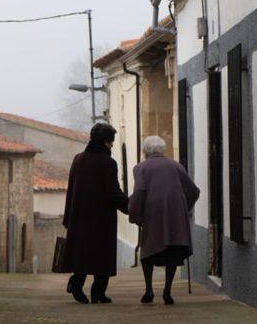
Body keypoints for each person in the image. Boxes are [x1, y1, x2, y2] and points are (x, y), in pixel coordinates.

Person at [128, 135, 200, 305]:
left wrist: (135, 214)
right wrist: (185, 208)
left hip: (152, 213)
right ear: (163, 150)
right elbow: (193, 191)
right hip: (176, 213)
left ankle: (149, 290)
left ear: (145, 151)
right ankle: (167, 291)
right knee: (173, 251)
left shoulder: (141, 168)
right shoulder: (176, 166)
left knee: (148, 252)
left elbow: (139, 192)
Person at [62, 123, 129, 304]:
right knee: (102, 254)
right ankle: (98, 293)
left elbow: (71, 189)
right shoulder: (108, 163)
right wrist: (130, 208)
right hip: (102, 218)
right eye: (111, 142)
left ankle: (77, 285)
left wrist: (68, 216)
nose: (113, 145)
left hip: (80, 216)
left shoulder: (78, 159)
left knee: (82, 253)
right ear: (106, 142)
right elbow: (113, 192)